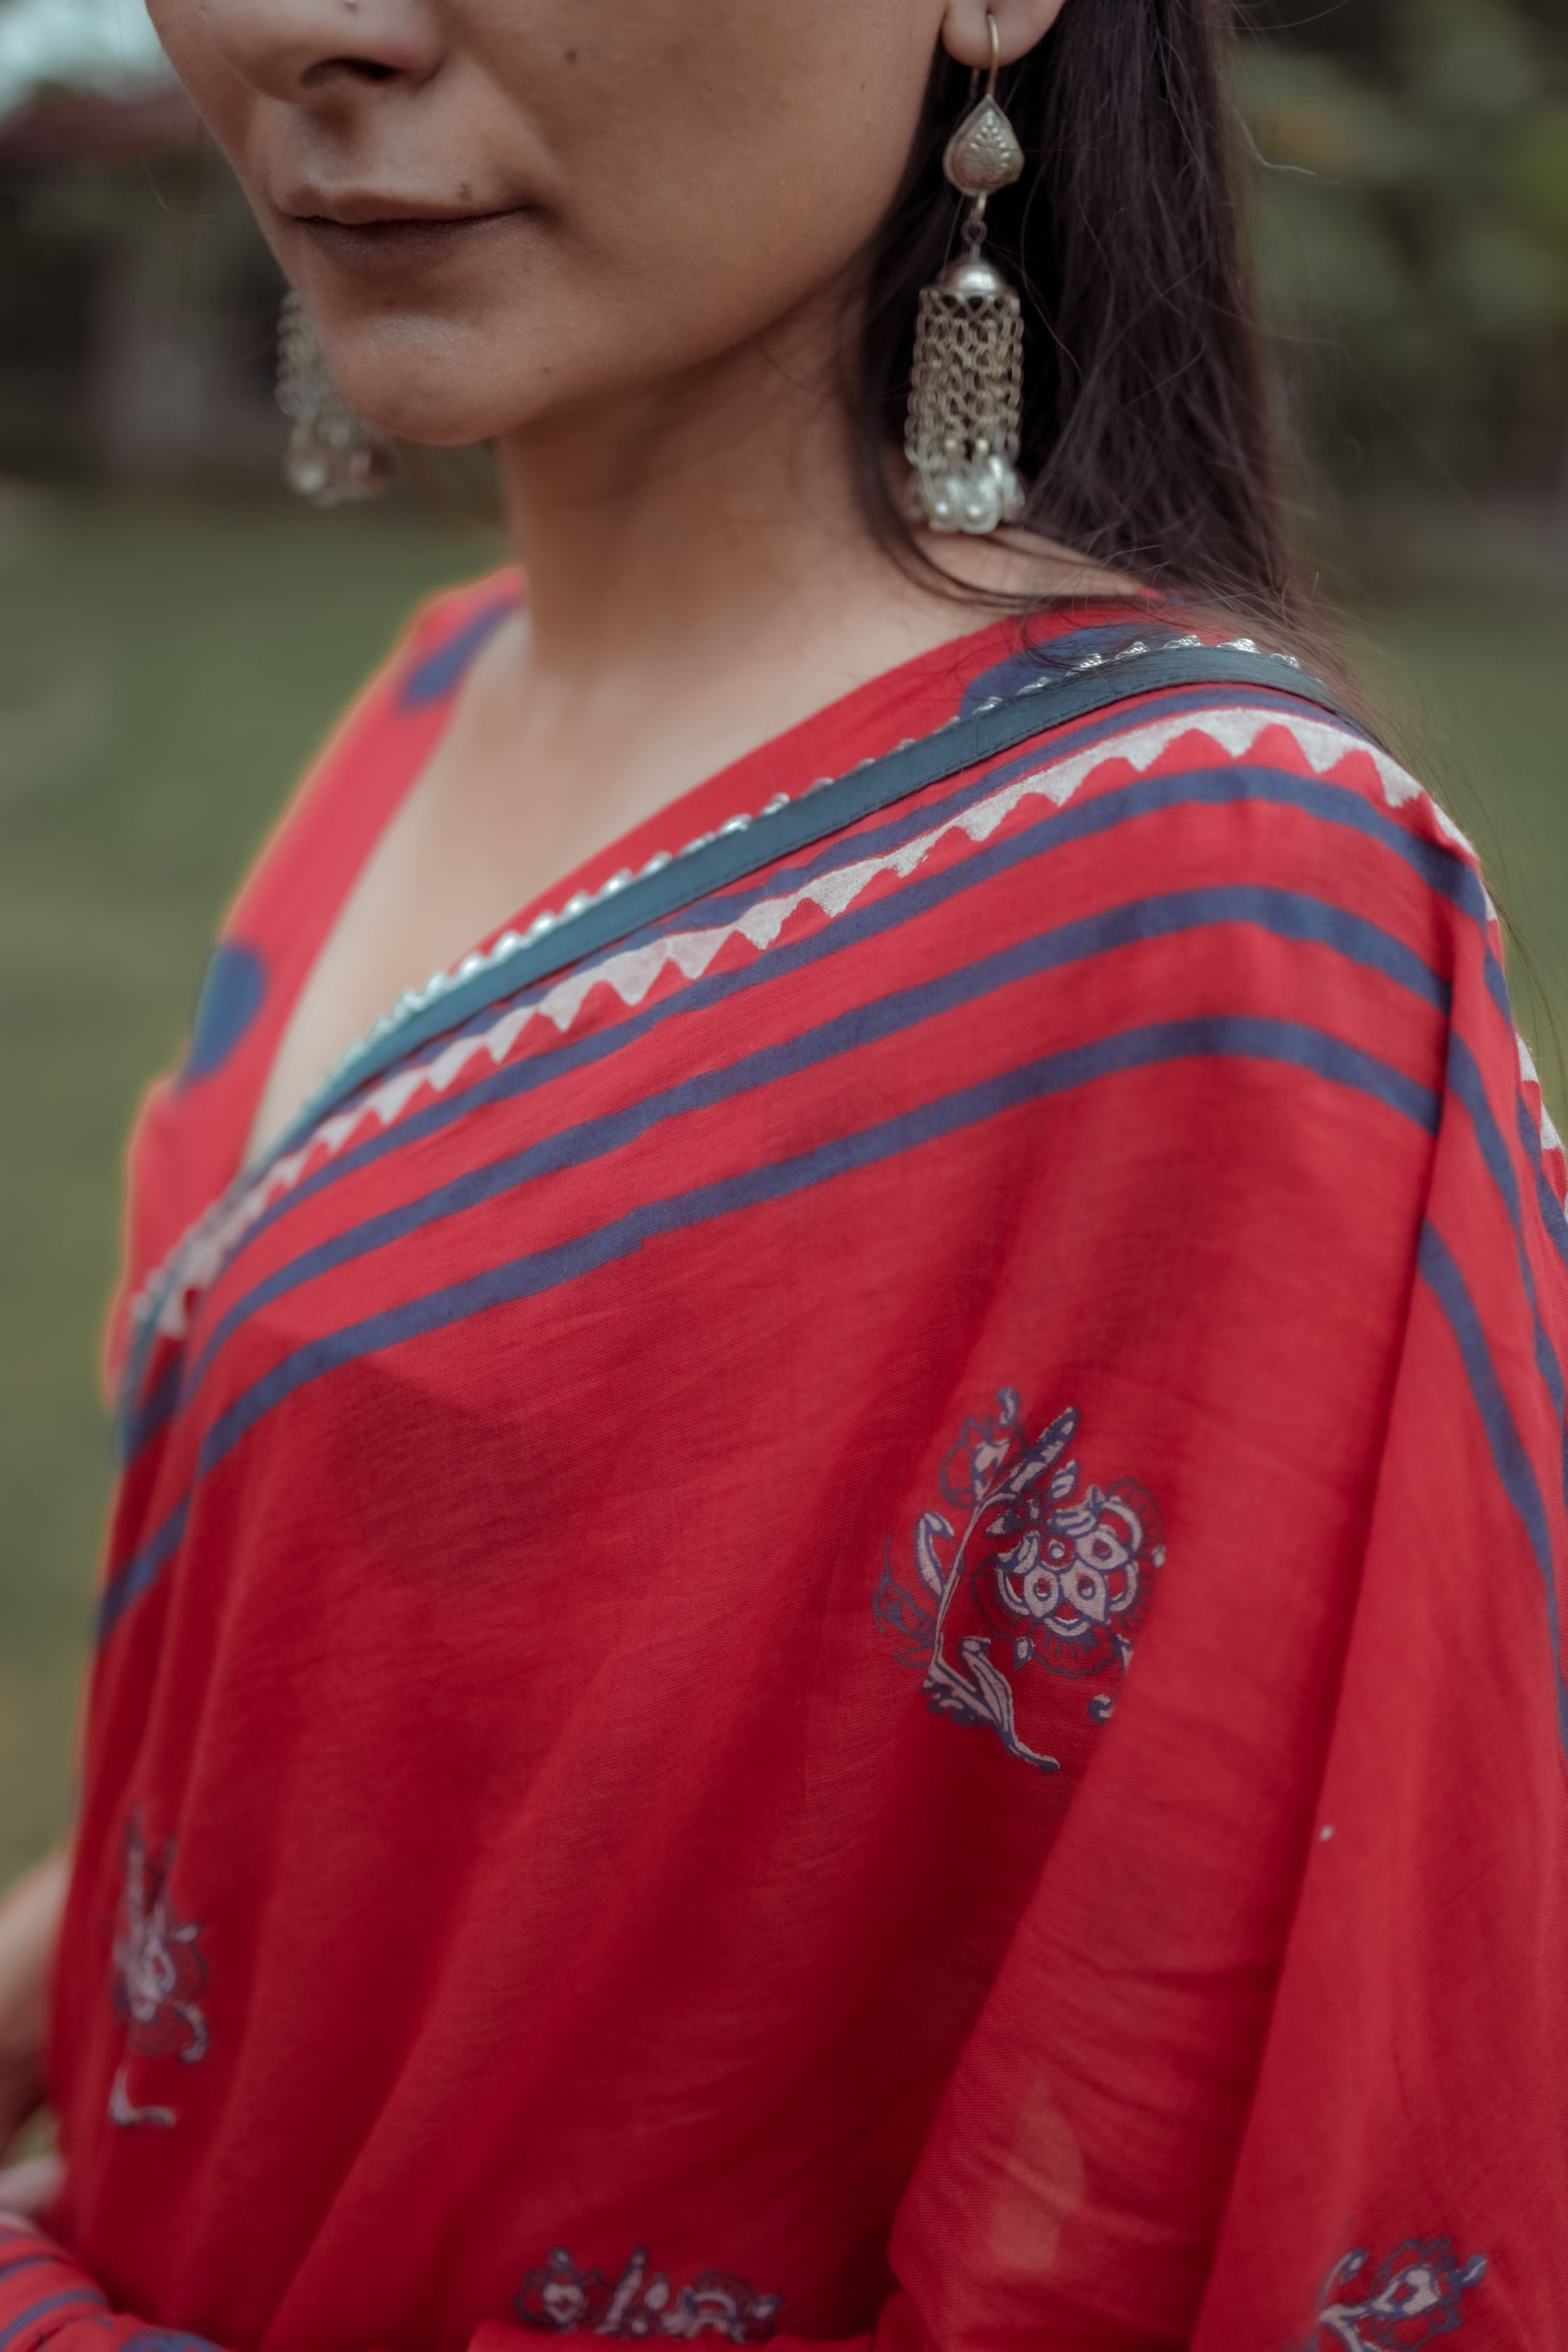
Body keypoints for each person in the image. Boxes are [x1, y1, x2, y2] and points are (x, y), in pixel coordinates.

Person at [2, 0, 1566, 2345]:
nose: (319, 27)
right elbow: (296, 1787)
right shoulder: (440, 697)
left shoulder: (1206, 912)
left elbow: (1186, 2135)